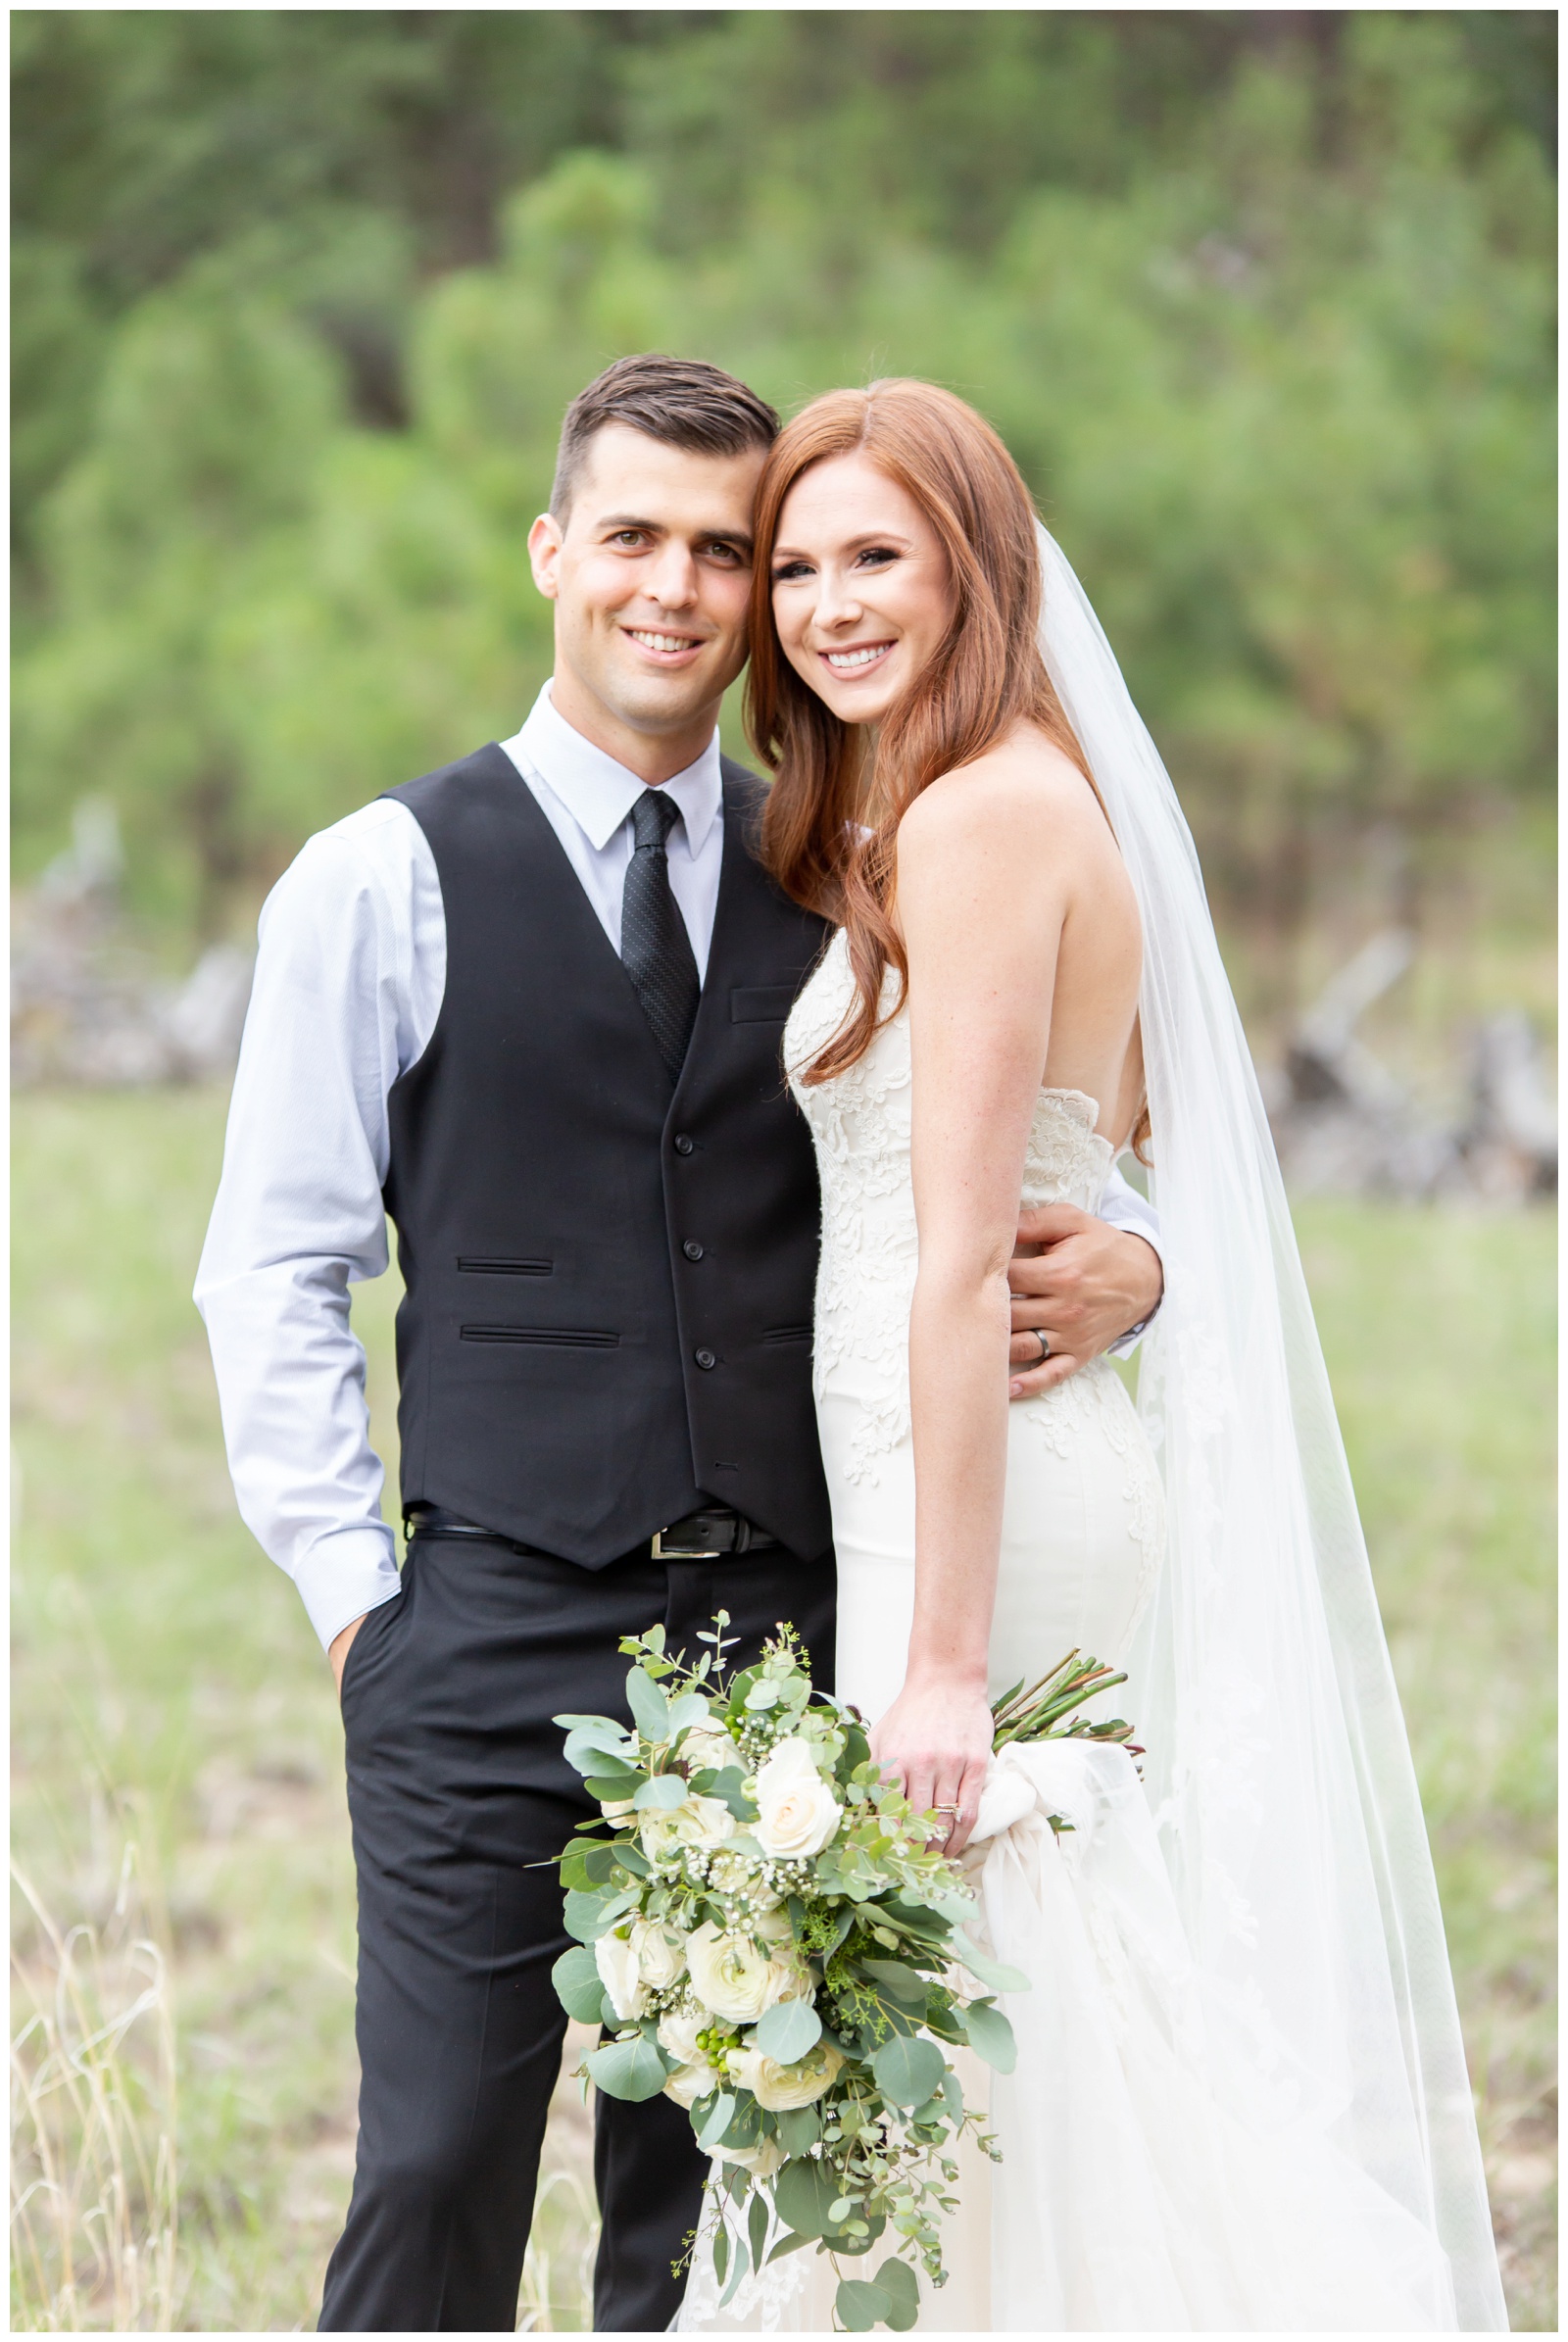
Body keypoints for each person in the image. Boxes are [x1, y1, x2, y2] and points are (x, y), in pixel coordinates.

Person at [193, 355, 1165, 2333]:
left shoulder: (839, 862)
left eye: (724, 551)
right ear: (551, 549)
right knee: (436, 2169)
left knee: (729, 2205)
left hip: (782, 1635)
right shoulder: (376, 877)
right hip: (474, 1631)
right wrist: (353, 1599)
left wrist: (1139, 1261)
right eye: (630, 534)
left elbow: (1019, 1126)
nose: (677, 586)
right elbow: (271, 1266)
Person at [675, 381, 1505, 2332]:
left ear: (979, 565)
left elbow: (963, 1259)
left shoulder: (979, 821)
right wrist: (1132, 1253)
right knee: (993, 2016)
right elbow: (1116, 1160)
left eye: (873, 555)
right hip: (958, 1482)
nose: (820, 603)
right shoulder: (992, 801)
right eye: (793, 565)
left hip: (986, 1509)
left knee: (995, 2014)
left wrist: (947, 1660)